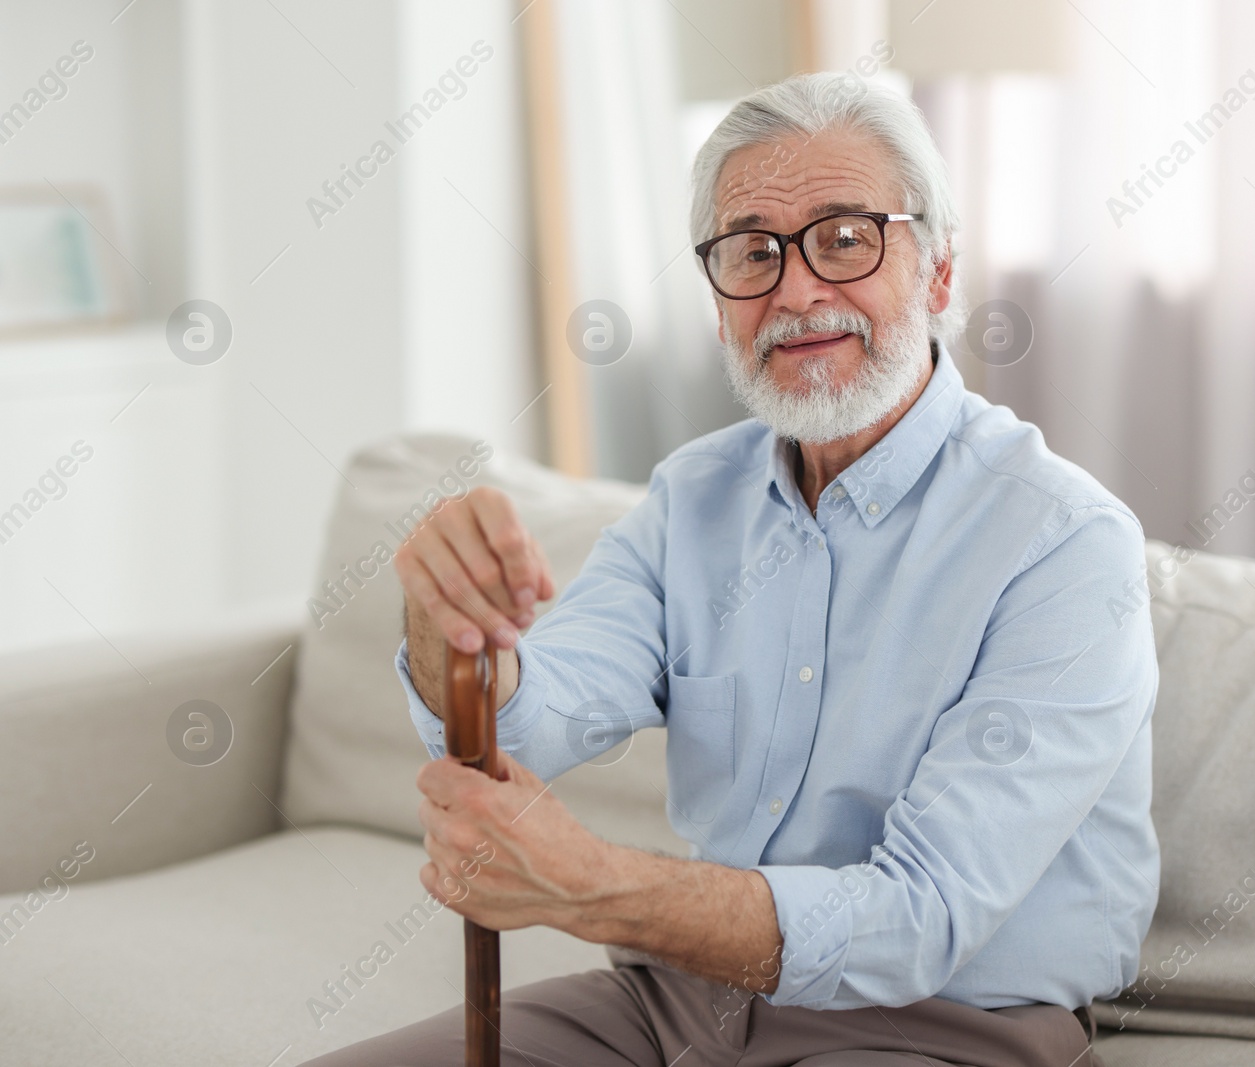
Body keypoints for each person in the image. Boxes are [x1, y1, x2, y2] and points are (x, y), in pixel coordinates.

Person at [306, 70, 1158, 1067]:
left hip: (942, 1020)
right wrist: (445, 616)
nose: (796, 291)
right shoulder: (689, 501)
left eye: (845, 237)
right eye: (752, 252)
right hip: (679, 997)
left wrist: (598, 884)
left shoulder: (1062, 541)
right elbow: (524, 721)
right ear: (718, 303)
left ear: (935, 274)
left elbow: (919, 915)